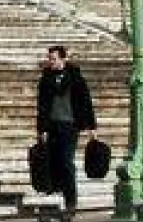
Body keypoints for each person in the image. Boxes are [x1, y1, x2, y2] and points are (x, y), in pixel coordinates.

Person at [35, 44, 97, 212]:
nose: (50, 62)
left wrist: (91, 126)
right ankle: (59, 193)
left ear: (63, 59)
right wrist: (41, 130)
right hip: (52, 125)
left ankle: (71, 200)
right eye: (49, 59)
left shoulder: (75, 77)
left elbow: (86, 101)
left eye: (53, 59)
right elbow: (41, 106)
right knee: (54, 161)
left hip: (70, 125)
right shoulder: (46, 78)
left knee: (66, 161)